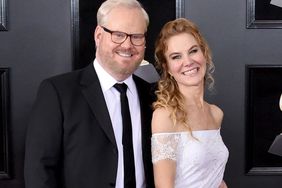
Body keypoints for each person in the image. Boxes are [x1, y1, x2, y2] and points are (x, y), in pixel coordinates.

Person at [24, 0, 155, 187]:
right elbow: (39, 170)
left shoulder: (153, 95)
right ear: (98, 35)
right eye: (118, 35)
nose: (127, 45)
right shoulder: (58, 92)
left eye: (136, 36)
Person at [151, 18, 229, 188]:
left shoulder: (216, 113)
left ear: (204, 53)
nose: (188, 62)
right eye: (176, 56)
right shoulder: (165, 116)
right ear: (167, 68)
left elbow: (214, 178)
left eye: (193, 51)